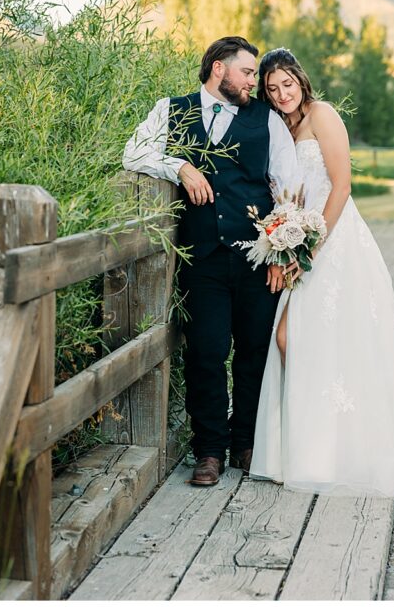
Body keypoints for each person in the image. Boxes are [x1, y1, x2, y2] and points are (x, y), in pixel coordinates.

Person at [250, 48, 394, 503]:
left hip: (335, 239)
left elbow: (341, 185)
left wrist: (312, 248)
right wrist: (283, 241)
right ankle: (316, 452)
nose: (282, 94)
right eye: (272, 89)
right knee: (296, 338)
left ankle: (350, 451)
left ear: (301, 81)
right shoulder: (278, 128)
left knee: (323, 337)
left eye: (287, 84)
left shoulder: (321, 114)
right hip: (300, 241)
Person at [122, 36, 298, 487]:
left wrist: (282, 252)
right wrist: (179, 167)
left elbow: (288, 186)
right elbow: (134, 152)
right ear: (219, 69)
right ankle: (209, 451)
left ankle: (247, 443)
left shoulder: (267, 120)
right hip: (203, 259)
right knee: (206, 352)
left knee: (254, 352)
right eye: (247, 72)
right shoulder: (171, 109)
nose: (253, 82)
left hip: (258, 258)